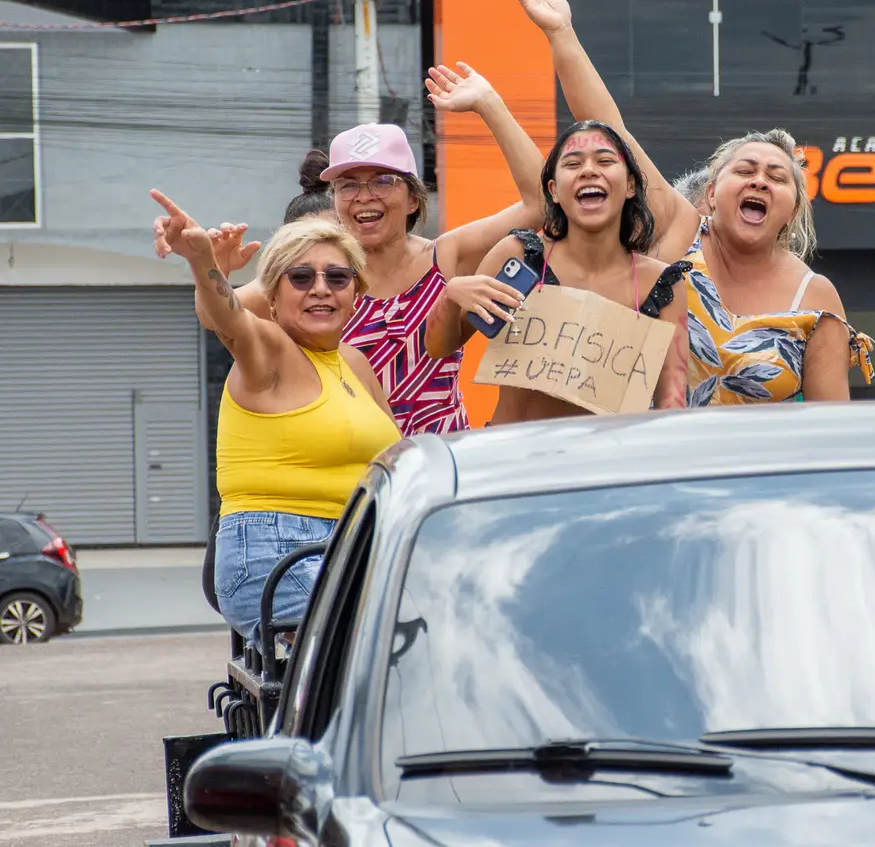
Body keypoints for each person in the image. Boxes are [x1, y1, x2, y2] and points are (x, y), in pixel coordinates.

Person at [511, 0, 873, 406]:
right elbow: (611, 133)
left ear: (793, 209)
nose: (759, 181)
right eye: (745, 171)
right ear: (712, 194)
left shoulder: (815, 296)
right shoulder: (680, 232)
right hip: (647, 446)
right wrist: (560, 33)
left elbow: (830, 425)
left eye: (777, 178)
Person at [164, 62, 544, 435]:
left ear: (413, 199)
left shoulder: (445, 256)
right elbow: (215, 316)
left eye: (382, 181)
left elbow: (539, 205)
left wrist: (488, 103)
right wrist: (211, 267)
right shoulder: (318, 278)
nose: (364, 197)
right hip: (352, 462)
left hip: (443, 461)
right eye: (348, 185)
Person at [150, 191, 401, 642]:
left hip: (355, 547)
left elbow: (399, 463)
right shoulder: (269, 349)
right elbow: (226, 317)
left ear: (356, 291)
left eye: (337, 277)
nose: (320, 288)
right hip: (275, 553)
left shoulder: (355, 363)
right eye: (301, 277)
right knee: (381, 639)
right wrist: (203, 262)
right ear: (272, 294)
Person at [426, 120, 690, 424]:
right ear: (553, 190)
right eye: (573, 163)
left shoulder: (663, 284)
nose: (589, 170)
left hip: (614, 453)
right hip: (513, 450)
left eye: (605, 161)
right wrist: (450, 297)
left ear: (630, 185)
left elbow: (672, 403)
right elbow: (438, 347)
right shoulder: (518, 256)